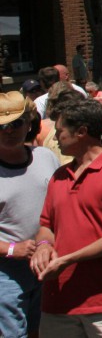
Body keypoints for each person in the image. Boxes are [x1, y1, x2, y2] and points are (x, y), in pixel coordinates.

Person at [31, 96, 102, 336]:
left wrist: (67, 259)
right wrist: (43, 245)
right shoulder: (59, 175)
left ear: (82, 132)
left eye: (60, 131)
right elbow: (46, 225)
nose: (54, 138)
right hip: (58, 303)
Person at [0, 92, 57, 338]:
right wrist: (12, 249)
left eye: (16, 123)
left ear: (29, 123)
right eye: (1, 125)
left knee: (42, 331)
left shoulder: (46, 158)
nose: (8, 131)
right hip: (6, 272)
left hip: (48, 263)